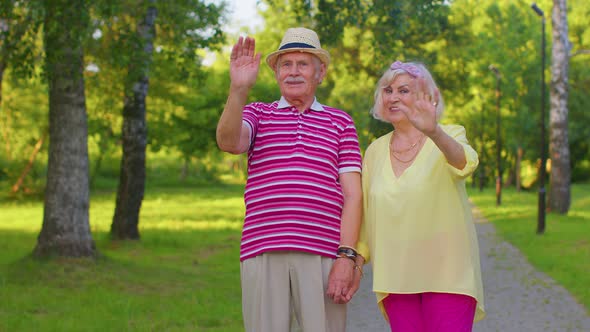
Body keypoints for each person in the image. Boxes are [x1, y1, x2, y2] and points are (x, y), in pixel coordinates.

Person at [216, 27, 363, 332]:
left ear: (320, 72)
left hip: (322, 252)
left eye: (303, 64)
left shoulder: (340, 122)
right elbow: (229, 142)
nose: (293, 72)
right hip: (263, 248)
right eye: (286, 64)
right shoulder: (258, 113)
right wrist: (238, 89)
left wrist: (346, 257)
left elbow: (353, 196)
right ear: (276, 73)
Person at [356, 60, 486, 332]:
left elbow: (466, 163)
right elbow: (365, 218)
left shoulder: (449, 134)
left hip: (448, 275)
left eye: (403, 90)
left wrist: (434, 131)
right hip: (396, 278)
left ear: (425, 95)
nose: (393, 97)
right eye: (387, 90)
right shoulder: (374, 152)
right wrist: (353, 264)